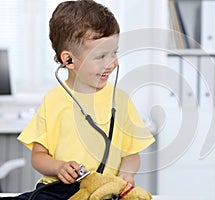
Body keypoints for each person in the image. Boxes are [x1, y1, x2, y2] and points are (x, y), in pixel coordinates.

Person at [5, 0, 155, 199]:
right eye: (101, 56)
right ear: (69, 60)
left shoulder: (121, 101)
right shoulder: (53, 101)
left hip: (102, 191)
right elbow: (38, 157)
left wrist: (127, 173)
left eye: (114, 53)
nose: (113, 63)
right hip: (58, 190)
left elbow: (131, 155)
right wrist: (59, 167)